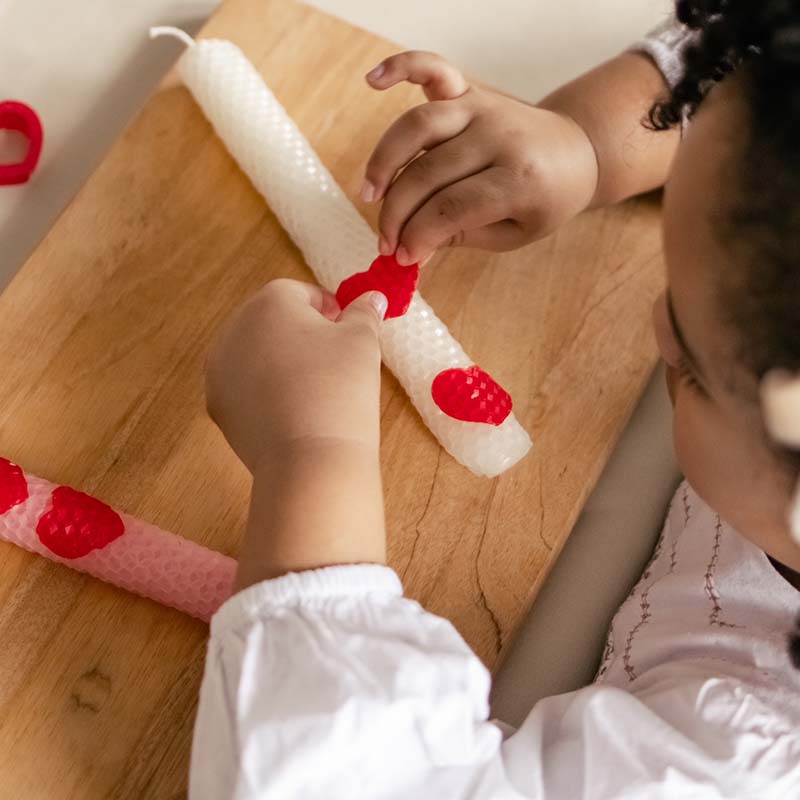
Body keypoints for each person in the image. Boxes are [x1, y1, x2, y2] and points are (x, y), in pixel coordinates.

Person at [190, 2, 800, 797]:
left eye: (683, 354)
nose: (655, 320)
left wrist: (310, 465)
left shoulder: (737, 769)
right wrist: (590, 139)